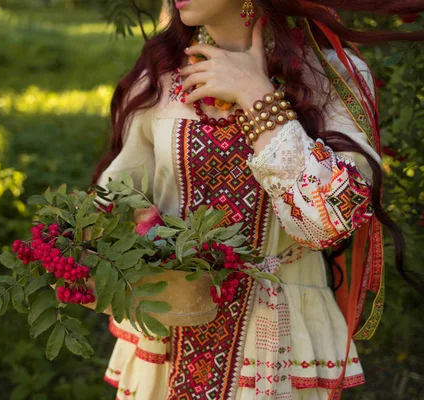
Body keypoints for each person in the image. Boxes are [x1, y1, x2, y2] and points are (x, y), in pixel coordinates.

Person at [90, 0, 423, 399]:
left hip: (270, 336)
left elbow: (329, 221)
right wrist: (129, 229)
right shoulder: (161, 73)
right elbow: (115, 197)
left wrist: (257, 96)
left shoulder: (333, 73)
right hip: (171, 322)